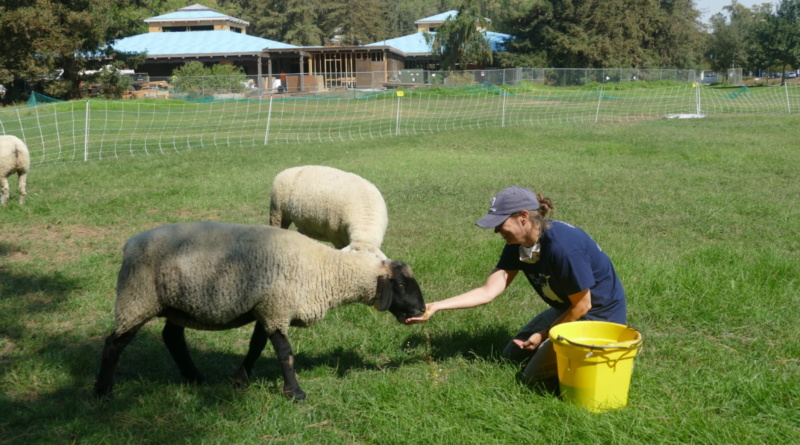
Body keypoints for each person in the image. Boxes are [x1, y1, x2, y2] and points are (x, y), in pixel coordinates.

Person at [406, 186, 627, 386]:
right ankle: (559, 355)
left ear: (523, 217)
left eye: (500, 223)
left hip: (598, 315)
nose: (496, 231)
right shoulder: (518, 244)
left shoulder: (564, 248)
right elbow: (488, 291)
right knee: (512, 354)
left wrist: (543, 335)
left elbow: (583, 306)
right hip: (567, 307)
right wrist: (435, 306)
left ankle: (588, 364)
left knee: (533, 379)